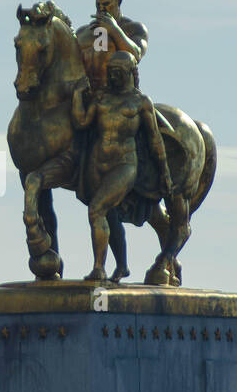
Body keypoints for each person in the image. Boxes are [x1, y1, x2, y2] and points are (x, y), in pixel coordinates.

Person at [70, 52, 172, 281]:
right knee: (108, 214)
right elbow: (82, 122)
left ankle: (99, 268)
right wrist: (78, 95)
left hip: (125, 165)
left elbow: (154, 139)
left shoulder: (140, 102)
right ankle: (122, 265)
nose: (113, 77)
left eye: (118, 72)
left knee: (96, 209)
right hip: (97, 164)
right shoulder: (101, 98)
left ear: (130, 73)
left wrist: (164, 172)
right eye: (111, 72)